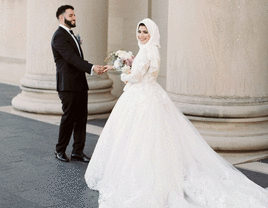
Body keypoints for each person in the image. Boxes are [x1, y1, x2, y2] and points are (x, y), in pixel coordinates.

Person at [85, 18, 268, 207]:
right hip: (144, 95)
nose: (141, 35)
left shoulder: (150, 50)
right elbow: (140, 69)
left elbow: (137, 76)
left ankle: (150, 179)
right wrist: (120, 67)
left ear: (153, 33)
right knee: (139, 136)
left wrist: (124, 75)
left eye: (145, 32)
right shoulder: (146, 49)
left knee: (145, 137)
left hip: (144, 96)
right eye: (139, 31)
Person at [51, 5, 103, 163]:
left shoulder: (70, 34)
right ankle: (60, 150)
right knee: (69, 118)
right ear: (62, 17)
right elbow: (72, 59)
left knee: (81, 118)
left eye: (74, 15)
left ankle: (77, 152)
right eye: (71, 15)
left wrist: (89, 67)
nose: (74, 18)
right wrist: (92, 68)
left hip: (80, 84)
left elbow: (76, 58)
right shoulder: (59, 36)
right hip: (67, 85)